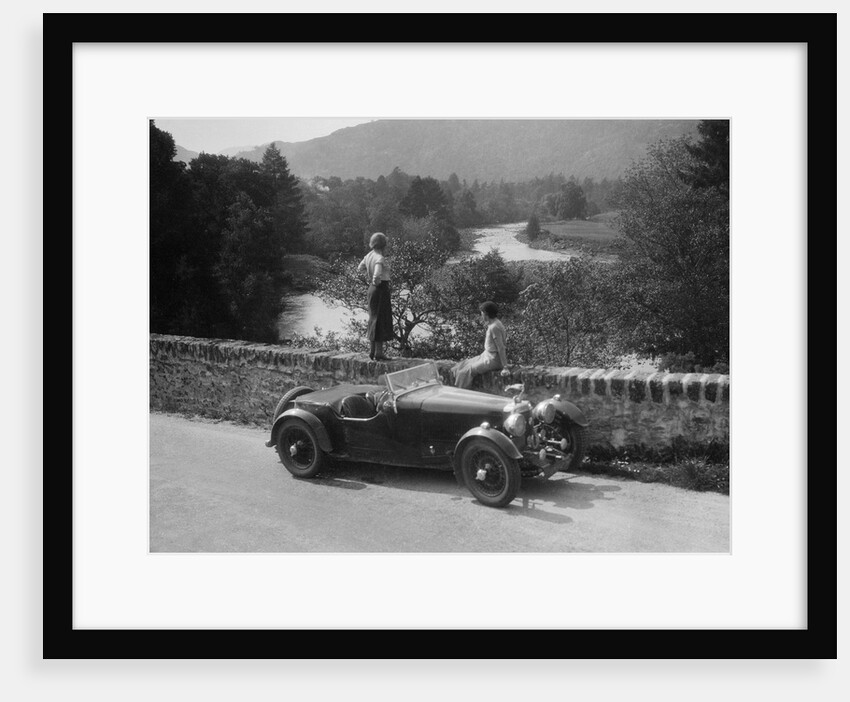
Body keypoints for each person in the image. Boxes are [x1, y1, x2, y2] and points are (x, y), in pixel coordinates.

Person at [451, 301, 510, 389]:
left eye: (481, 313)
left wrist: (505, 367)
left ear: (486, 314)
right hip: (486, 355)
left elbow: (501, 348)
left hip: (493, 359)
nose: (481, 315)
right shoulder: (494, 324)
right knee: (460, 366)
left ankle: (461, 395)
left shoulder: (495, 327)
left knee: (465, 372)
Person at [357, 232, 393, 360]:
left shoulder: (368, 255)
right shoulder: (379, 257)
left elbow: (359, 268)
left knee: (373, 318)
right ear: (383, 244)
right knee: (380, 319)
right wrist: (376, 280)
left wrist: (370, 277)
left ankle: (372, 352)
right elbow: (377, 274)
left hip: (372, 290)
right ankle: (379, 353)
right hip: (380, 288)